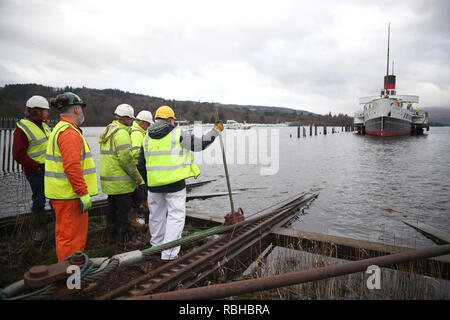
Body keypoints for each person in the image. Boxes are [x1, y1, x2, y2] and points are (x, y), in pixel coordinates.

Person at [138, 105, 224, 260]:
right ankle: (169, 254)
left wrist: (150, 180)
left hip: (153, 186)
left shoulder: (146, 138)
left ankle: (156, 246)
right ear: (170, 120)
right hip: (175, 185)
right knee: (175, 217)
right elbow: (200, 145)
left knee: (156, 216)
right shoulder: (177, 134)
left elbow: (141, 164)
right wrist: (215, 131)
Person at [44, 92, 98, 262]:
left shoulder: (60, 129)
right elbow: (72, 166)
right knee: (72, 241)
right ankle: (71, 283)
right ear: (76, 109)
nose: (82, 112)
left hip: (63, 195)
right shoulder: (69, 133)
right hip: (70, 197)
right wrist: (82, 193)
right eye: (81, 108)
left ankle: (71, 279)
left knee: (66, 238)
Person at [98, 104, 143, 244]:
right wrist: (137, 177)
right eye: (130, 119)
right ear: (124, 118)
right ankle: (125, 239)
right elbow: (127, 160)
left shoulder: (109, 130)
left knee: (112, 209)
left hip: (109, 181)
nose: (132, 122)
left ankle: (111, 236)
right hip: (121, 182)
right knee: (124, 212)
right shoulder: (122, 133)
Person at [13, 96, 51, 242]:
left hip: (49, 170)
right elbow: (18, 154)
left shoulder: (44, 125)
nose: (48, 113)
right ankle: (40, 231)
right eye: (45, 110)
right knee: (39, 200)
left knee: (54, 197)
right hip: (36, 172)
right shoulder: (22, 128)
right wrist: (36, 167)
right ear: (37, 111)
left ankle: (55, 226)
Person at [130, 110, 153, 228]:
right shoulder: (137, 133)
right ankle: (134, 220)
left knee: (142, 195)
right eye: (148, 124)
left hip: (139, 169)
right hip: (138, 169)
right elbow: (136, 152)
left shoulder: (139, 132)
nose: (148, 127)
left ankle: (146, 216)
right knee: (139, 196)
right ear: (143, 122)